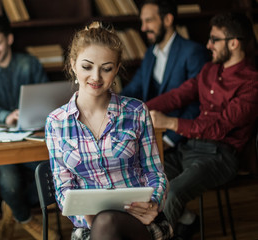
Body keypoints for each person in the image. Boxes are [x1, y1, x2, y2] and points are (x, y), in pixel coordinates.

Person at [45, 22, 173, 240]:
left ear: (116, 69)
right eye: (87, 67)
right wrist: (85, 215)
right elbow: (63, 188)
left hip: (140, 223)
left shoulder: (136, 112)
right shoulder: (56, 123)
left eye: (106, 68)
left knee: (108, 222)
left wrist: (153, 202)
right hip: (89, 228)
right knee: (104, 223)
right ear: (73, 64)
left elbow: (155, 173)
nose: (96, 77)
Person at [147, 12, 258, 240]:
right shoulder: (209, 70)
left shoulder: (253, 83)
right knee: (147, 178)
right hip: (190, 147)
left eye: (214, 39)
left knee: (174, 190)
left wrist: (170, 123)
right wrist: (138, 109)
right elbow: (177, 96)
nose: (208, 45)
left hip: (221, 156)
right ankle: (183, 221)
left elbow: (219, 127)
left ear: (234, 43)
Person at [0, 15, 56, 239]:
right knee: (9, 180)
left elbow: (45, 99)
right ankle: (24, 217)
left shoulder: (29, 63)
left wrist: (27, 116)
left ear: (9, 39)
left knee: (55, 170)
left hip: (31, 133)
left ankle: (14, 209)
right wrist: (7, 116)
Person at [121, 0, 209, 149]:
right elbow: (134, 87)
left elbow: (198, 104)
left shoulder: (193, 52)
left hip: (181, 140)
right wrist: (111, 103)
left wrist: (169, 140)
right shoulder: (150, 54)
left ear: (167, 19)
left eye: (148, 20)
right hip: (151, 133)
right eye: (142, 22)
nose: (143, 28)